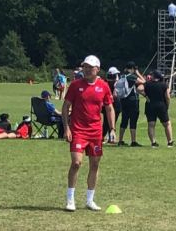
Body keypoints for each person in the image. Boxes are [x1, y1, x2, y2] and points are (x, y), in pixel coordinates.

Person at [61, 55, 114, 212]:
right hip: (78, 130)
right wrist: (66, 128)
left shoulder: (104, 86)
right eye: (86, 67)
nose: (88, 69)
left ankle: (89, 200)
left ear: (98, 69)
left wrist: (112, 129)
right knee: (76, 163)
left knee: (95, 164)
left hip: (96, 132)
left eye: (91, 67)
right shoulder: (75, 85)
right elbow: (65, 107)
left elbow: (109, 109)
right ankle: (70, 199)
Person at [114, 62, 143, 147]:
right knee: (133, 120)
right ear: (133, 69)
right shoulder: (131, 76)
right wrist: (138, 73)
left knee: (124, 119)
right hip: (132, 100)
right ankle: (133, 141)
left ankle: (120, 140)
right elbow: (143, 81)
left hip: (123, 100)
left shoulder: (122, 76)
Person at [143, 70, 173, 147]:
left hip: (150, 106)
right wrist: (167, 106)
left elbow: (139, 89)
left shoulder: (147, 84)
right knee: (167, 124)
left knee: (151, 125)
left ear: (153, 76)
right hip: (161, 105)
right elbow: (167, 97)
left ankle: (153, 143)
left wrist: (145, 96)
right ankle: (170, 142)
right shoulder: (164, 85)